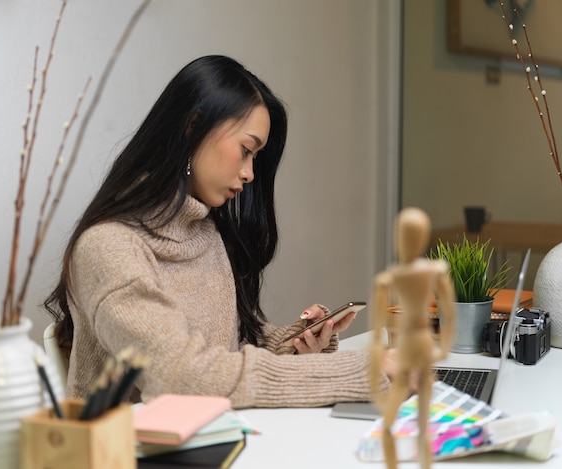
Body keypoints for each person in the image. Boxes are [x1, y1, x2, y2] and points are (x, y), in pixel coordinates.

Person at [45, 55, 392, 408]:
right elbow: (179, 377)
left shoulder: (206, 231)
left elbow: (224, 353)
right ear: (194, 127)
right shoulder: (107, 246)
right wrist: (365, 370)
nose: (249, 173)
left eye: (254, 157)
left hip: (216, 441)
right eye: (246, 150)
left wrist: (293, 343)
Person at [370, 208, 456, 469]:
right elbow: (449, 312)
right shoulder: (417, 274)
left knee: (416, 424)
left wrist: (444, 348)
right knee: (413, 423)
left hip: (413, 343)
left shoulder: (397, 276)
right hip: (416, 344)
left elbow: (450, 312)